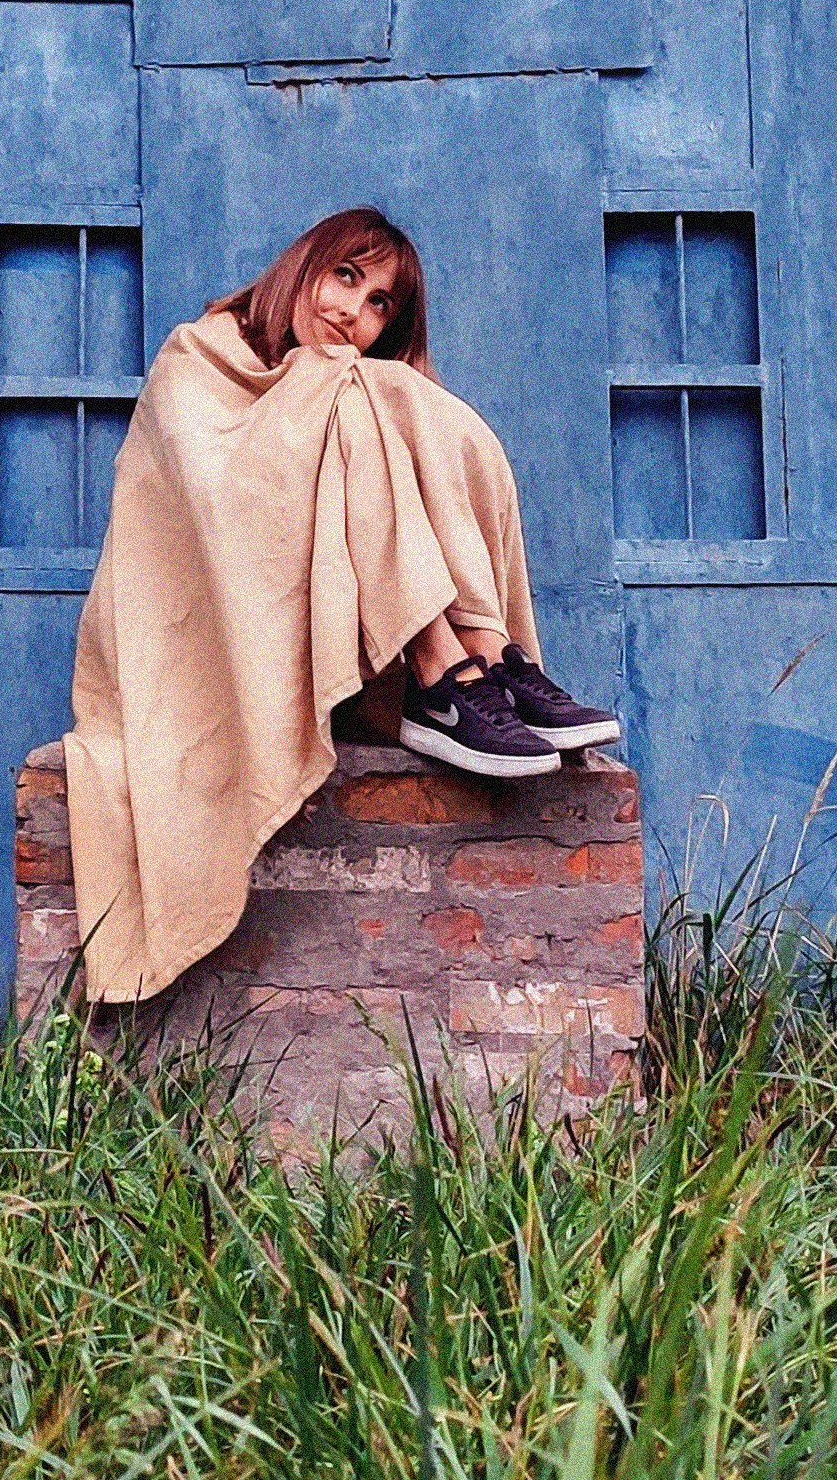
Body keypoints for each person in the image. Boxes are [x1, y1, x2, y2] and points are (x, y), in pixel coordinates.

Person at [63, 206, 620, 1003]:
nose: (351, 311)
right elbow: (218, 513)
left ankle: (486, 658)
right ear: (305, 263)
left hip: (346, 640)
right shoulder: (197, 358)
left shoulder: (358, 384)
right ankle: (444, 674)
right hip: (223, 648)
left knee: (395, 400)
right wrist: (321, 405)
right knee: (357, 396)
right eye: (345, 276)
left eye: (379, 305)